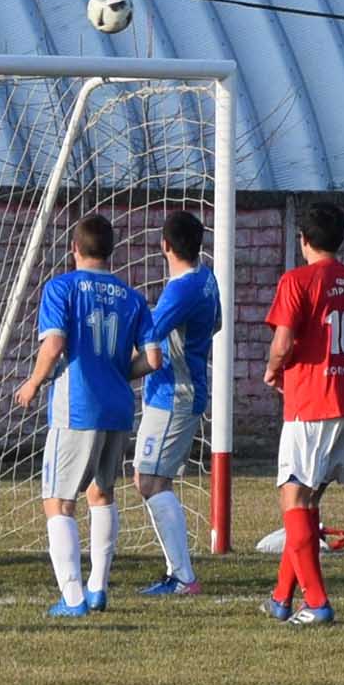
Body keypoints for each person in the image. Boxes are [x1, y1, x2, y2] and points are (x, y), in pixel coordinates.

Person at [14, 214, 159, 617]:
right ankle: (97, 588)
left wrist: (33, 382)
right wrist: (118, 372)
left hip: (77, 407)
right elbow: (153, 359)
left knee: (58, 502)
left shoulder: (61, 287)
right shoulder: (132, 297)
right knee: (101, 493)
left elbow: (54, 344)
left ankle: (73, 597)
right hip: (118, 408)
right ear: (111, 251)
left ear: (74, 249)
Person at [262, 202, 344, 626]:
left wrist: (273, 371)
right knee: (307, 502)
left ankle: (316, 602)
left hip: (313, 404)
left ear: (304, 240)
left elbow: (282, 343)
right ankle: (281, 597)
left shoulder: (296, 280)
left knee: (293, 500)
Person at [134, 210, 221, 597]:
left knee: (149, 481)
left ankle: (183, 576)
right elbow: (216, 323)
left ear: (164, 245)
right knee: (156, 480)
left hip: (174, 395)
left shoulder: (181, 290)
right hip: (183, 390)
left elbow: (148, 338)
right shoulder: (207, 278)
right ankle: (178, 573)